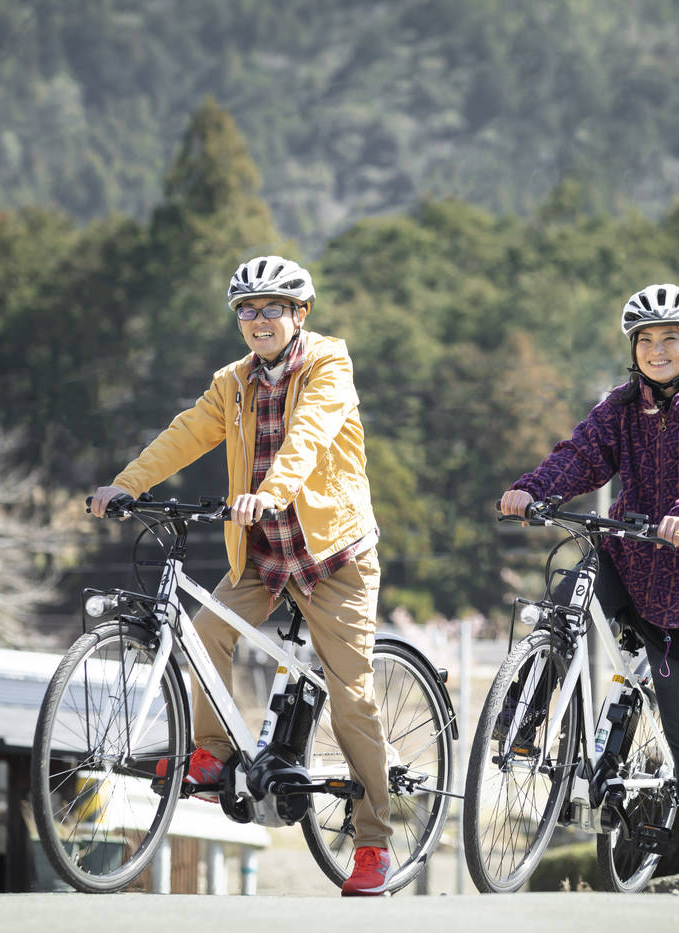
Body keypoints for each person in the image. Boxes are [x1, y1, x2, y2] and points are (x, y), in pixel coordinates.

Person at [89, 255, 393, 897]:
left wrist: (273, 490)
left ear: (299, 314)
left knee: (352, 698)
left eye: (272, 308)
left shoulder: (329, 367)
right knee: (204, 633)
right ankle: (214, 754)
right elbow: (187, 433)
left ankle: (374, 842)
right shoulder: (233, 383)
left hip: (332, 555)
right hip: (263, 554)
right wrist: (127, 483)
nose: (258, 320)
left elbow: (307, 438)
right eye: (247, 310)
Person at [498, 283, 679, 894]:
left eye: (670, 338)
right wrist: (535, 489)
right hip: (624, 554)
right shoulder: (619, 406)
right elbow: (581, 455)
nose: (656, 350)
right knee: (561, 608)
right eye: (645, 340)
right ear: (633, 349)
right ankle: (522, 722)